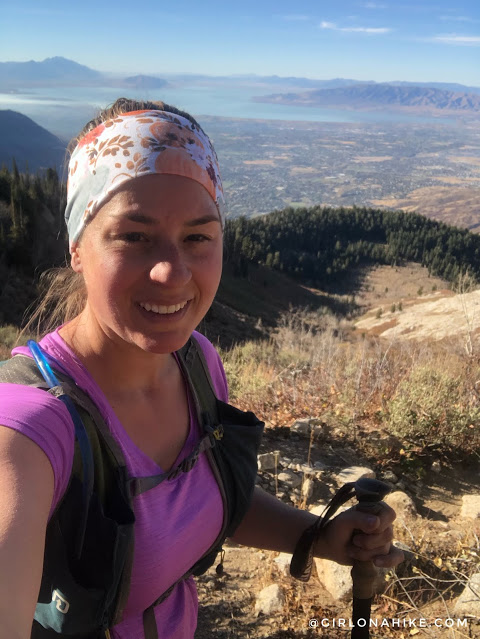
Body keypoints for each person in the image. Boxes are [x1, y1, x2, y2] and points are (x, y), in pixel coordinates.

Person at [0, 98, 403, 639]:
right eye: (134, 236)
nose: (172, 273)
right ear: (77, 246)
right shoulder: (27, 431)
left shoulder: (196, 363)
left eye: (198, 236)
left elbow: (204, 502)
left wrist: (317, 535)